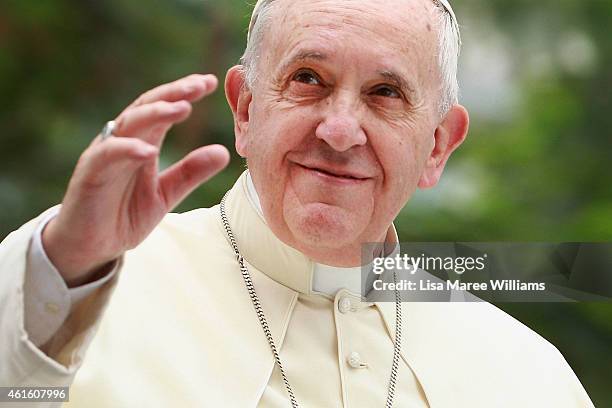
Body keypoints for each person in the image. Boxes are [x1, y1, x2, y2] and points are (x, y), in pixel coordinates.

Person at [0, 0, 594, 407]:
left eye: (385, 93)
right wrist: (67, 266)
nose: (339, 130)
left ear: (437, 145)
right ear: (246, 111)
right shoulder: (71, 287)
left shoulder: (528, 372)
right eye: (308, 78)